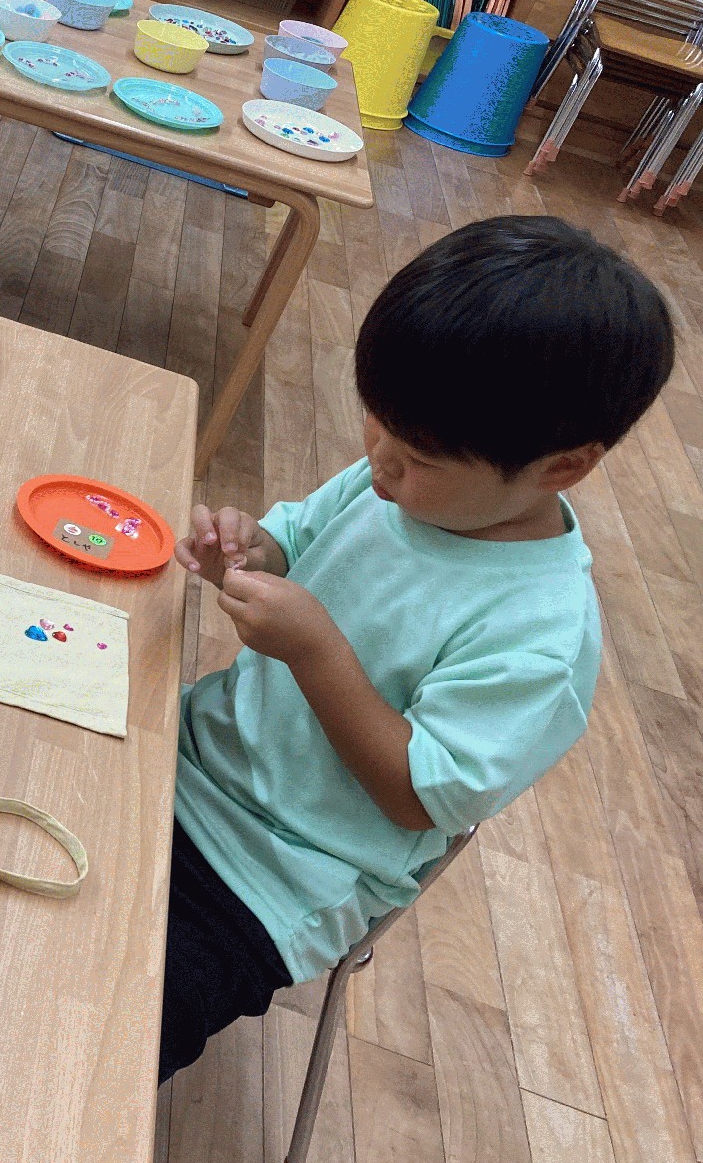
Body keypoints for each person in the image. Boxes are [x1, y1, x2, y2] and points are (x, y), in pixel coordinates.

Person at [161, 215, 675, 1082]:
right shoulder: (397, 479)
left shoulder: (540, 638)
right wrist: (246, 550)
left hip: (280, 880)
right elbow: (292, 546)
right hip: (188, 755)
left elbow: (415, 797)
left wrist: (315, 650)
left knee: (115, 1028)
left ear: (562, 467)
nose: (380, 463)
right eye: (378, 424)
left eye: (419, 456)